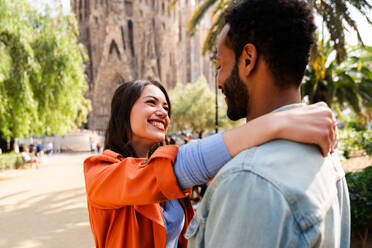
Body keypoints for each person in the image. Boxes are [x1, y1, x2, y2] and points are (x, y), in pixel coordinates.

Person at [84, 80, 337, 248]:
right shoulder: (99, 173)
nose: (163, 112)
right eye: (151, 103)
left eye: (166, 106)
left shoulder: (165, 168)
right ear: (122, 111)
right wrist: (278, 123)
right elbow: (173, 170)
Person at [185, 1, 350, 247]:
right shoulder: (327, 154)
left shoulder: (247, 181)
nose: (218, 82)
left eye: (220, 65)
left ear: (248, 60)